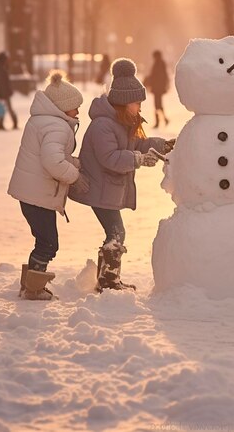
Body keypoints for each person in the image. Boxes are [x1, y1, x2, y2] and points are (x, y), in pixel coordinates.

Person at [69, 58, 175, 292]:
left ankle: (107, 279)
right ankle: (108, 282)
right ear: (124, 102)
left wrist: (162, 146)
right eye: (137, 102)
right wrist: (137, 159)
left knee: (115, 231)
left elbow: (138, 143)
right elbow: (110, 158)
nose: (140, 107)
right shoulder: (103, 126)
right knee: (116, 231)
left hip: (108, 189)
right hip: (98, 188)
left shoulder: (122, 122)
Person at [8, 71, 89, 301]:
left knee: (43, 239)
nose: (77, 112)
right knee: (48, 242)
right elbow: (53, 161)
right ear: (63, 107)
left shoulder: (44, 121)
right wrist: (74, 176)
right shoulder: (57, 126)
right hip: (37, 195)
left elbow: (52, 155)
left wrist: (74, 163)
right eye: (75, 107)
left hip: (32, 193)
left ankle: (29, 283)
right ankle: (33, 289)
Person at [144, 50, 170, 128]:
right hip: (158, 88)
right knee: (158, 105)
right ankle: (163, 120)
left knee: (157, 105)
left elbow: (157, 76)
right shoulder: (160, 63)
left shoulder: (159, 64)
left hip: (157, 88)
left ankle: (159, 122)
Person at [0, 51, 18, 130]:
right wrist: (3, 92)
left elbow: (5, 82)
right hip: (4, 93)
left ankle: (2, 124)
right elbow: (1, 82)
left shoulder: (2, 68)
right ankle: (12, 123)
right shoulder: (0, 68)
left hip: (4, 92)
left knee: (3, 108)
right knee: (6, 108)